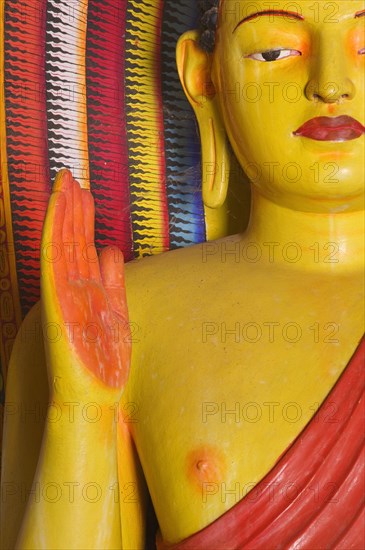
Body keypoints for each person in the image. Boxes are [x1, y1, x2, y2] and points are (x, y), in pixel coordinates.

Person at [1, 0, 364, 548]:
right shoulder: (113, 314)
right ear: (205, 79)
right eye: (275, 50)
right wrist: (81, 412)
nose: (330, 84)